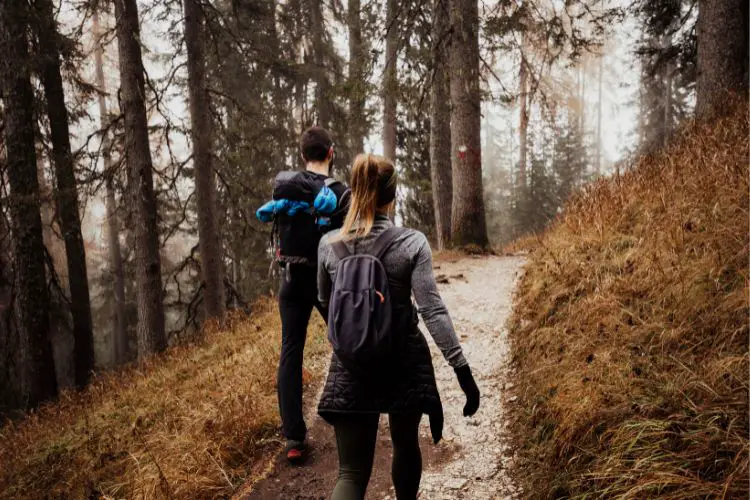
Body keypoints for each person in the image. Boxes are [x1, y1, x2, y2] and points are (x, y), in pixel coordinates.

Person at [316, 154, 481, 499]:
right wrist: (461, 370)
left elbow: (326, 302)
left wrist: (353, 335)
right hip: (401, 360)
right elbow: (432, 310)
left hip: (351, 365)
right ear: (393, 196)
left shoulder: (329, 246)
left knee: (350, 473)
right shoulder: (411, 243)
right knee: (406, 447)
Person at [261, 126, 350, 463]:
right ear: (330, 153)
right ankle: (352, 411)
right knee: (346, 340)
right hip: (329, 281)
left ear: (303, 156)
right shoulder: (340, 192)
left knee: (291, 352)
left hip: (292, 278)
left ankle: (294, 438)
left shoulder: (287, 187)